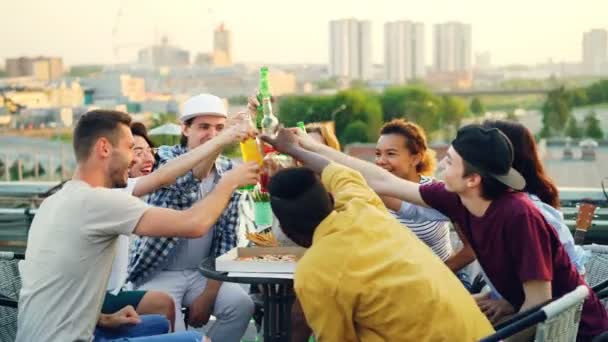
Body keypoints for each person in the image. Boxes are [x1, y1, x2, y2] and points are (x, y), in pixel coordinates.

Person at [287, 124, 608, 340]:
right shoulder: (461, 200)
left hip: (575, 333)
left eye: (450, 161)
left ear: (473, 179)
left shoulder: (518, 217)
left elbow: (540, 308)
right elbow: (380, 180)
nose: (439, 164)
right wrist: (299, 148)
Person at [16, 109, 259, 341]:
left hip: (43, 334)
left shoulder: (57, 200)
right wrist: (229, 183)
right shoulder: (100, 202)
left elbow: (161, 177)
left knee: (159, 323)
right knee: (198, 340)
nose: (135, 158)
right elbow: (194, 224)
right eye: (130, 148)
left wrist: (101, 318)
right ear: (104, 148)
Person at [260, 128, 494, 341]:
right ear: (330, 198)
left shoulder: (314, 271)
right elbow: (337, 171)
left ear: (287, 229)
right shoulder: (362, 206)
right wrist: (292, 148)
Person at [103, 119, 254, 331]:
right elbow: (187, 193)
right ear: (185, 128)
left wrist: (208, 296)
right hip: (154, 273)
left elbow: (227, 238)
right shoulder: (161, 167)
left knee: (241, 305)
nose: (147, 157)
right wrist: (223, 147)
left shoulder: (227, 168)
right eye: (204, 127)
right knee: (173, 326)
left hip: (202, 272)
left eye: (219, 128)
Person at [375, 119, 475, 285]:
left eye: (391, 154)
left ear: (415, 159)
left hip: (443, 279)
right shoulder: (372, 195)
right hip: (396, 284)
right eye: (378, 153)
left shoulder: (439, 192)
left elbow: (471, 250)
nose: (381, 160)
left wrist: (430, 276)